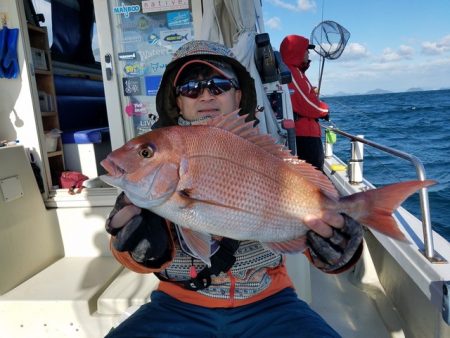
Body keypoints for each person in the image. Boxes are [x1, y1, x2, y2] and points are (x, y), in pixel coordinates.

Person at [104, 40, 363, 338]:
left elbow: (319, 251)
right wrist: (138, 251)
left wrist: (340, 250)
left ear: (238, 95)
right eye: (190, 88)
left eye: (218, 84)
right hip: (177, 305)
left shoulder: (266, 153)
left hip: (271, 304)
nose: (205, 95)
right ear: (177, 101)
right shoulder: (155, 160)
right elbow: (126, 248)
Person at [280, 35, 330, 170]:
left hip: (305, 134)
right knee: (314, 176)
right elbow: (308, 104)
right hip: (304, 136)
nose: (308, 53)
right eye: (306, 50)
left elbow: (300, 98)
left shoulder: (295, 72)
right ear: (297, 52)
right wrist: (325, 110)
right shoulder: (291, 72)